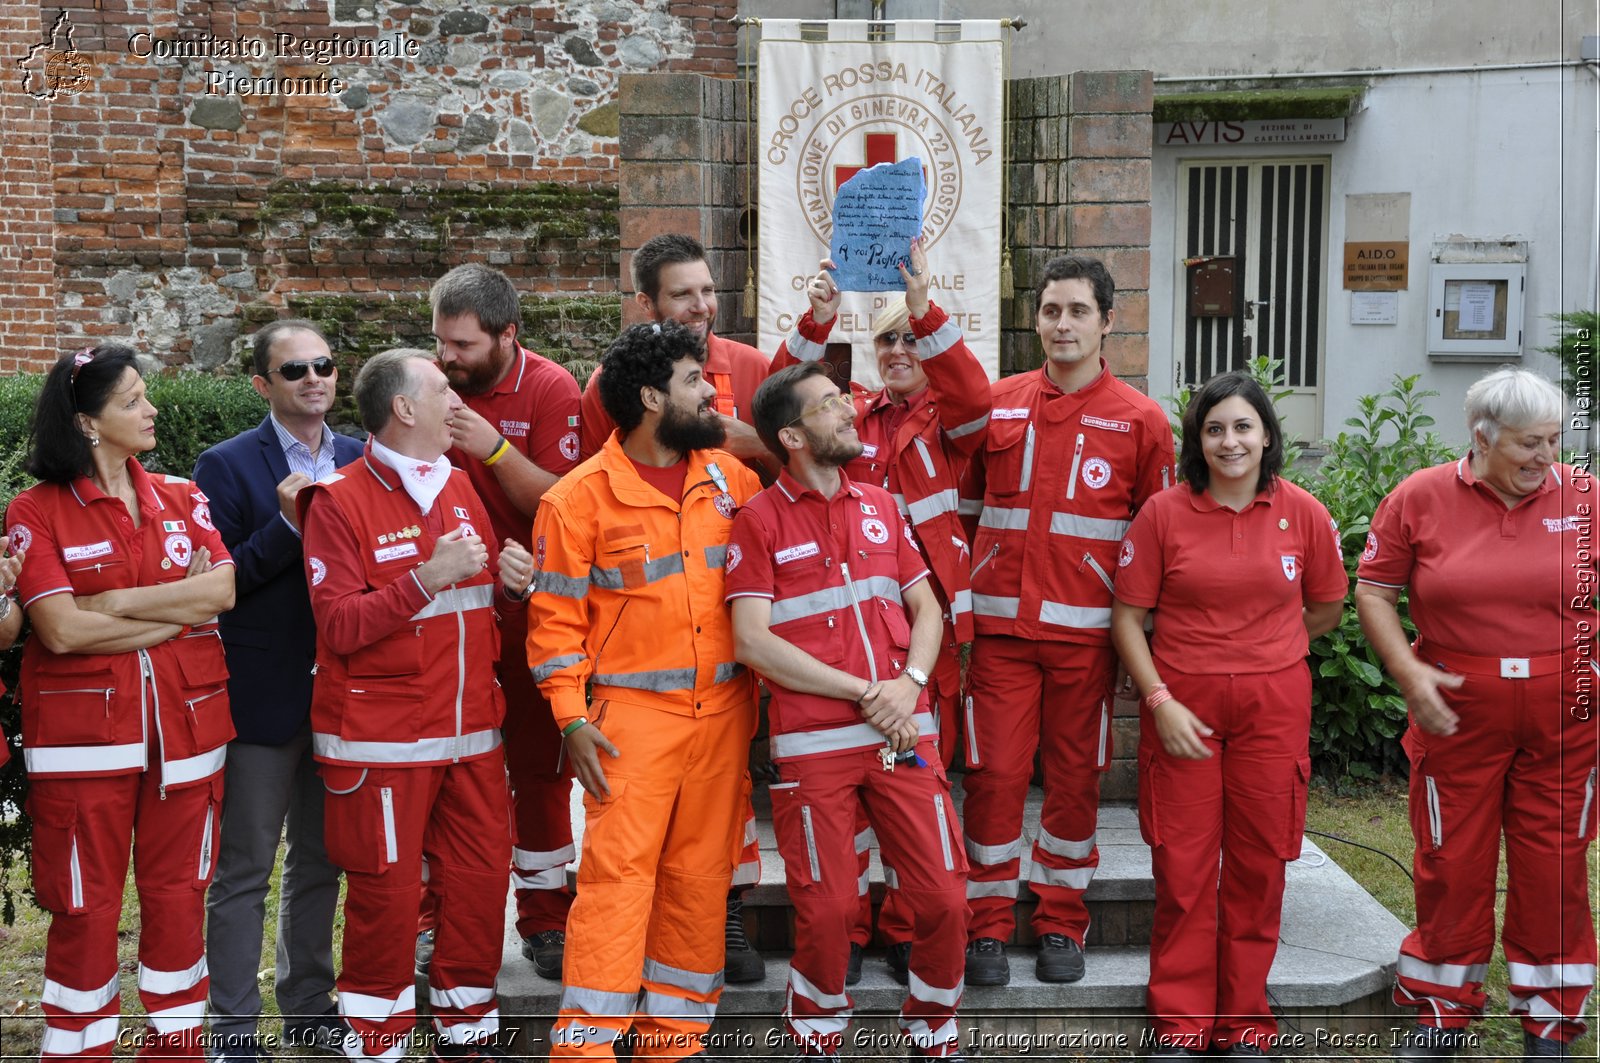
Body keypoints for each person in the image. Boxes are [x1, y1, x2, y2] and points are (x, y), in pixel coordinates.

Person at [526, 320, 761, 1061]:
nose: (712, 392)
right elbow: (554, 623)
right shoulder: (576, 501)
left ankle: (674, 1045)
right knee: (615, 890)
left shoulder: (732, 479)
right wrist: (570, 719)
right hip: (627, 724)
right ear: (654, 396)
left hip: (722, 720)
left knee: (699, 886)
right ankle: (589, 1050)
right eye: (697, 380)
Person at [728, 361, 968, 1061]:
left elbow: (928, 607)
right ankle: (817, 1035)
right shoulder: (758, 520)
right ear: (793, 435)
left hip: (905, 735)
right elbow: (751, 640)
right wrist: (868, 691)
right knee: (830, 909)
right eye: (832, 404)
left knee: (946, 898)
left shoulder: (882, 506)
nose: (848, 411)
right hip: (816, 746)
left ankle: (933, 1031)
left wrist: (912, 679)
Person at [298, 349, 534, 1062]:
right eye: (441, 391)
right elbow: (339, 626)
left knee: (479, 886)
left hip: (471, 736)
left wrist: (512, 585)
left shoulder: (462, 485)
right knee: (387, 900)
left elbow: (477, 602)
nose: (456, 403)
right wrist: (425, 578)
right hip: (381, 747)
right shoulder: (336, 500)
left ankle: (465, 1035)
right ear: (403, 409)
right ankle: (377, 1042)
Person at [1354, 367, 1596, 1060]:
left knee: (1554, 865)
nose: (1546, 458)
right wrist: (1407, 670)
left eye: (1553, 441)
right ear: (1482, 437)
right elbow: (1374, 592)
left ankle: (1549, 1021)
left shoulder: (1585, 499)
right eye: (1528, 444)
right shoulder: (1421, 497)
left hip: (1565, 714)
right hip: (1455, 710)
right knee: (1449, 860)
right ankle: (1442, 1010)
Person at [5, 344, 237, 1059]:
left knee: (179, 900)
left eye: (147, 395)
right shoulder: (35, 510)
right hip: (82, 741)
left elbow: (222, 591)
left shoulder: (181, 493)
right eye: (133, 399)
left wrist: (113, 601)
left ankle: (176, 1048)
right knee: (84, 906)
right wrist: (177, 613)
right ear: (87, 423)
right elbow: (60, 629)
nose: (152, 408)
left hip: (188, 734)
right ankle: (78, 1047)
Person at [1109, 371, 1346, 1058]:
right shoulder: (1164, 514)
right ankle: (1181, 1023)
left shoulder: (1301, 511)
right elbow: (1128, 619)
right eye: (1214, 428)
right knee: (1182, 868)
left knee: (1258, 866)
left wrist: (1275, 647)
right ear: (1197, 440)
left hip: (1273, 709)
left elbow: (1328, 604)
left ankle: (1245, 1020)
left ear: (1267, 434)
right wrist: (1158, 701)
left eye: (1242, 426)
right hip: (1183, 707)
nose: (1229, 440)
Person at [771, 239, 989, 984]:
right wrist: (816, 321)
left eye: (910, 336)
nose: (897, 348)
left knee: (914, 798)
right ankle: (852, 927)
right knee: (850, 812)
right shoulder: (848, 418)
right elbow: (779, 407)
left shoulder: (951, 421)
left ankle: (904, 927)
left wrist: (925, 305)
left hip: (926, 647)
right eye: (887, 336)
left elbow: (974, 395)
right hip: (842, 669)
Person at [959, 254, 1177, 985]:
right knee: (992, 776)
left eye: (1078, 311)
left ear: (1107, 321)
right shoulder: (998, 402)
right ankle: (985, 925)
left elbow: (1155, 537)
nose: (1061, 325)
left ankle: (1059, 918)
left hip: (1086, 641)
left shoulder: (1143, 420)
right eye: (1051, 311)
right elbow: (963, 509)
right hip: (998, 637)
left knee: (1076, 781)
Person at [578, 233, 772, 982]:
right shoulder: (611, 386)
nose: (703, 305)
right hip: (638, 689)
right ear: (648, 303)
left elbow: (781, 485)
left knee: (718, 827)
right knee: (626, 869)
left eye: (708, 290)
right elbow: (609, 486)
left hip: (726, 660)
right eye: (684, 294)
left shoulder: (751, 368)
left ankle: (724, 918)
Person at [194, 319, 364, 1062]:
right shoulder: (226, 466)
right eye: (294, 369)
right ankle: (232, 1026)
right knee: (245, 867)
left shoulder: (364, 457)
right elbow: (217, 583)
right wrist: (291, 527)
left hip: (346, 693)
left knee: (322, 860)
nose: (314, 378)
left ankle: (308, 1005)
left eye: (323, 364)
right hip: (262, 695)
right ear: (263, 383)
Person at [423, 263, 584, 981]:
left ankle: (547, 918)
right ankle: (436, 920)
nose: (446, 358)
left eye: (460, 344)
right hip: (449, 619)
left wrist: (491, 444)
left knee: (541, 772)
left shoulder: (551, 389)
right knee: (444, 775)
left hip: (531, 616)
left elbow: (562, 500)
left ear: (507, 335)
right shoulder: (426, 385)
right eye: (440, 342)